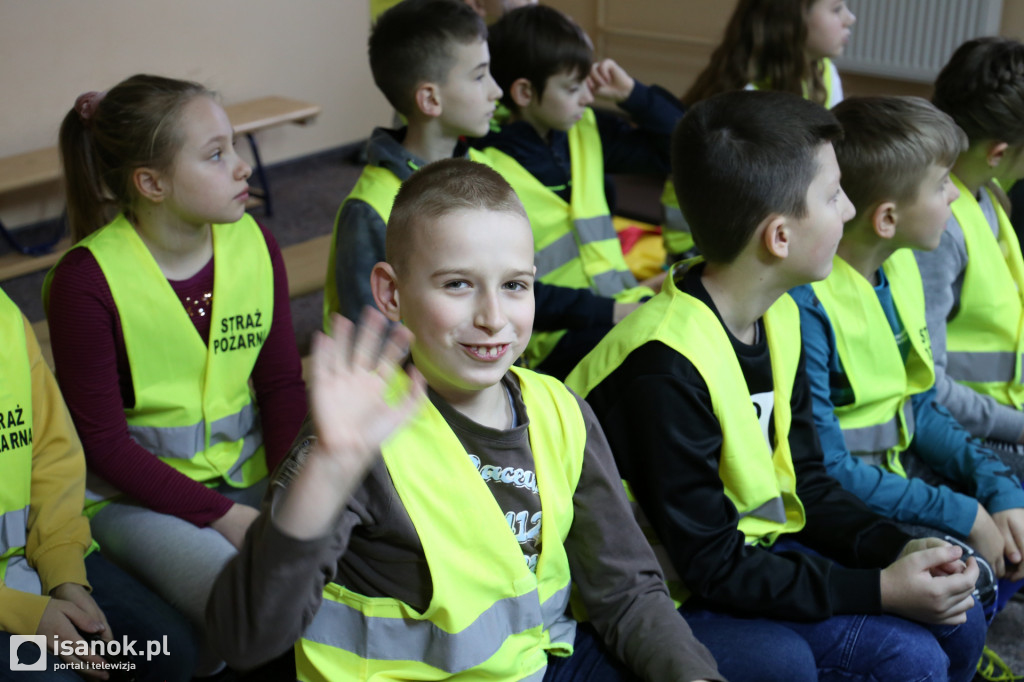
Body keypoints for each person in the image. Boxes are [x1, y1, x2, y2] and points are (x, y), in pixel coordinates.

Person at [208, 158, 724, 682]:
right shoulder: (353, 440)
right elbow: (246, 639)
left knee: (770, 659)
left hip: (539, 661)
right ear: (391, 294)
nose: (493, 317)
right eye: (458, 284)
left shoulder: (559, 409)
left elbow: (628, 590)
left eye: (515, 286)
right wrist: (328, 472)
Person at [566, 90, 986, 682]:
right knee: (904, 656)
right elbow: (707, 564)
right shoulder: (661, 365)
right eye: (833, 194)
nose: (847, 210)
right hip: (670, 594)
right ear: (779, 238)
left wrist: (896, 550)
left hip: (751, 557)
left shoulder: (782, 312)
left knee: (957, 617)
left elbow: (807, 483)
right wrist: (877, 590)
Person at [45, 74, 307, 672]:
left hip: (251, 473)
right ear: (151, 183)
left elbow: (281, 387)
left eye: (234, 146)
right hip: (137, 497)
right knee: (253, 605)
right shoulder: (86, 281)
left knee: (343, 568)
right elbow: (106, 447)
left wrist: (291, 495)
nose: (242, 168)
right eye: (217, 155)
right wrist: (232, 518)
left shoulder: (256, 243)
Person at [790, 96, 1024, 606]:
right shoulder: (807, 305)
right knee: (969, 567)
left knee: (1012, 501)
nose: (956, 199)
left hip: (897, 470)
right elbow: (828, 471)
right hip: (846, 498)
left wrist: (995, 489)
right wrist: (966, 513)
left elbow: (920, 403)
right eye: (942, 187)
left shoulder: (899, 271)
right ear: (888, 219)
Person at [0, 287, 198, 680]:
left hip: (35, 563)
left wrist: (65, 576)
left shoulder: (5, 314)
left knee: (165, 653)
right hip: (10, 604)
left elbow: (51, 457)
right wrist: (25, 615)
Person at [476, 4, 680, 378]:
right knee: (665, 359)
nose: (588, 98)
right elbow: (505, 289)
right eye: (573, 88)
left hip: (619, 306)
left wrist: (633, 94)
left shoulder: (582, 129)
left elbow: (683, 149)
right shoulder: (483, 165)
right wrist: (613, 312)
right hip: (551, 337)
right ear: (523, 91)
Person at [325, 0, 502, 326]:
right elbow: (373, 344)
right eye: (479, 77)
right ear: (431, 99)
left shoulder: (483, 171)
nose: (496, 90)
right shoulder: (370, 211)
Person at [661, 0, 856, 264]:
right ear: (790, 20)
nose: (850, 18)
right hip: (710, 237)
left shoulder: (825, 74)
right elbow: (749, 202)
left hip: (767, 217)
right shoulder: (744, 96)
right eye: (836, 9)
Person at [914, 38, 1024, 477]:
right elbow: (931, 388)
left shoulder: (988, 199)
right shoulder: (938, 231)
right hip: (968, 439)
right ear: (997, 153)